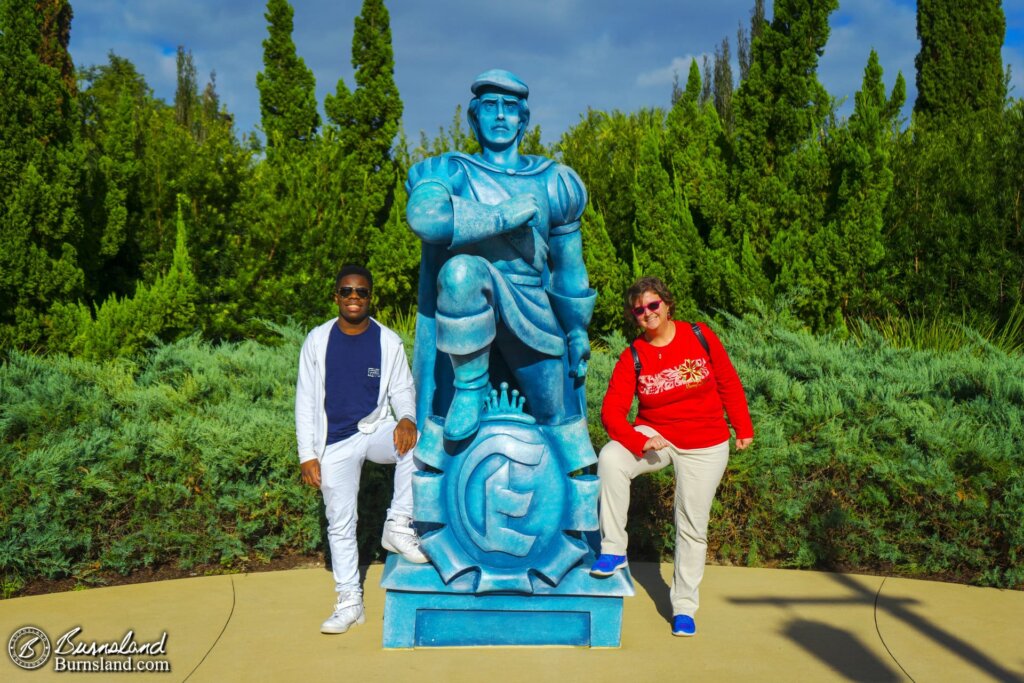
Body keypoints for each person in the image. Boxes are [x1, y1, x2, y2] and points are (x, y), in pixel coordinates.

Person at [406, 69, 595, 439]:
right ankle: (471, 389)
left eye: (509, 107)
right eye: (489, 106)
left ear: (523, 120)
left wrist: (576, 330)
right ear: (475, 117)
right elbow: (425, 218)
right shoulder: (450, 170)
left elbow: (569, 265)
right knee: (461, 272)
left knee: (555, 420)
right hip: (469, 302)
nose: (499, 116)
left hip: (532, 309)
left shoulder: (554, 180)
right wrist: (503, 217)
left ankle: (570, 488)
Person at [591, 276, 754, 637]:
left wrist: (742, 427)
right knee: (612, 458)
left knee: (691, 526)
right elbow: (611, 412)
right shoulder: (634, 354)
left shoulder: (699, 335)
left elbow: (727, 380)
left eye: (652, 305)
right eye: (639, 310)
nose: (647, 313)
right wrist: (637, 439)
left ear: (666, 304)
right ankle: (614, 550)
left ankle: (683, 607)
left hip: (705, 442)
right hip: (657, 434)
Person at [295, 265, 428, 635]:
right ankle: (350, 601)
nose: (354, 297)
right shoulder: (317, 340)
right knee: (341, 523)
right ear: (335, 296)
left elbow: (402, 389)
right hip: (333, 442)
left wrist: (406, 419)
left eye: (362, 292)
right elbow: (305, 400)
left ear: (371, 297)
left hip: (373, 428)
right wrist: (308, 453)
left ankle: (398, 525)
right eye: (347, 291)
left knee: (418, 443)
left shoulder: (388, 341)